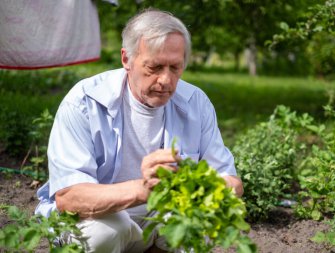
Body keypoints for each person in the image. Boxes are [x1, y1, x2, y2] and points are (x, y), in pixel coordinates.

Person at [35, 8, 243, 253]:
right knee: (107, 232)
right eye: (154, 67)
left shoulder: (195, 103)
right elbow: (70, 197)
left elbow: (232, 183)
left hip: (157, 221)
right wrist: (144, 189)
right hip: (101, 219)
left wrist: (189, 186)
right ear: (126, 59)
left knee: (198, 223)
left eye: (175, 68)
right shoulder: (85, 102)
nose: (166, 80)